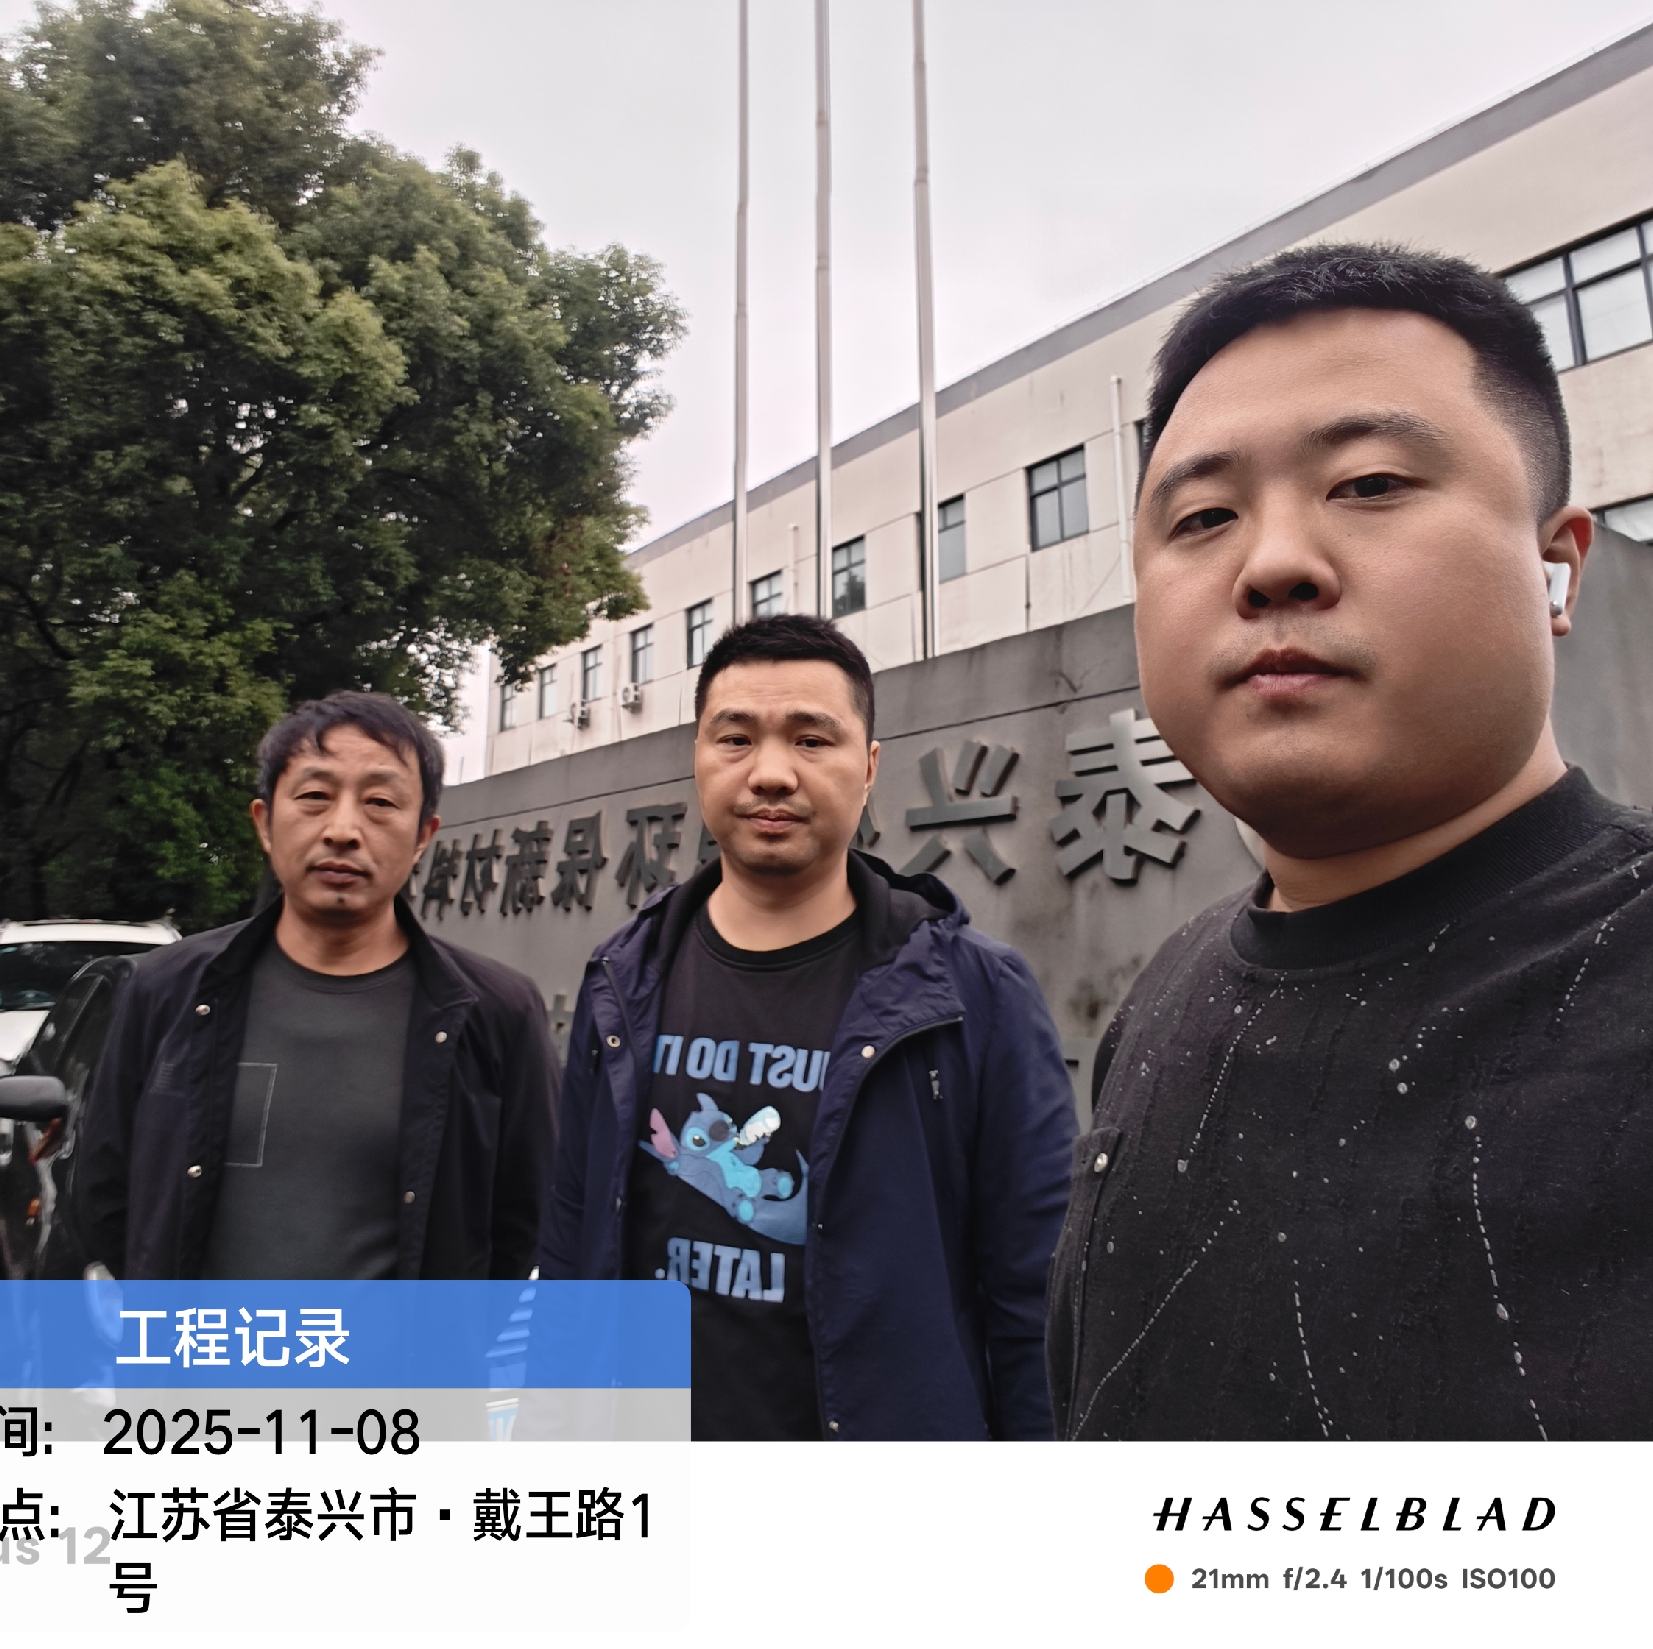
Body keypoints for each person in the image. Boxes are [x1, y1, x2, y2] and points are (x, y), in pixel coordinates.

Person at [1048, 243, 1653, 1440]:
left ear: (1556, 566)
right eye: (1204, 516)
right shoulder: (1162, 997)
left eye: (1369, 483)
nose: (1273, 562)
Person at [540, 614, 1076, 1439]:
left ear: (869, 767)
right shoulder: (623, 978)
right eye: (736, 739)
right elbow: (572, 1239)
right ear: (697, 757)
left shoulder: (977, 993)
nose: (771, 773)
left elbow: (1035, 1292)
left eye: (811, 739)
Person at [74, 691, 558, 1280]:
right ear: (265, 823)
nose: (343, 830)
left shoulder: (496, 1012)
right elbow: (107, 1195)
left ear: (423, 836)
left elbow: (523, 1221)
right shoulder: (164, 990)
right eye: (314, 797)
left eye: (380, 802)